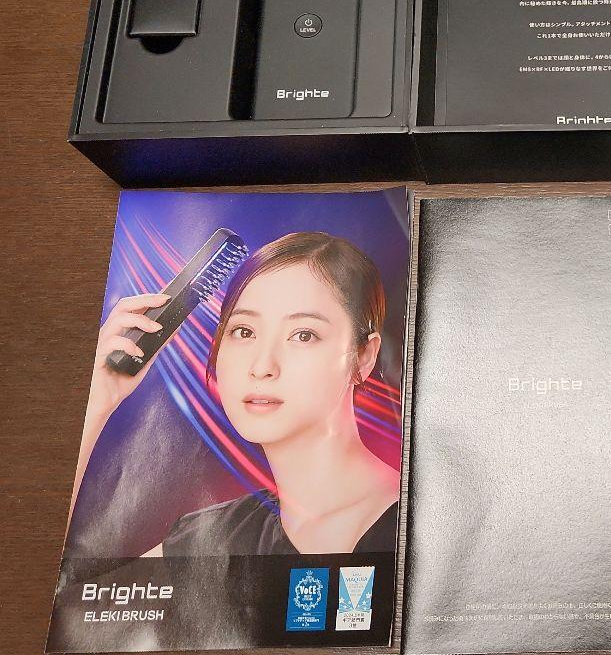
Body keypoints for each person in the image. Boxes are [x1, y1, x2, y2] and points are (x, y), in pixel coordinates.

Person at [71, 232, 400, 556]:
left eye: (303, 335)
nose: (262, 366)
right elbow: (65, 590)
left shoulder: (413, 522)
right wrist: (98, 400)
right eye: (244, 331)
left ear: (363, 356)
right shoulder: (214, 540)